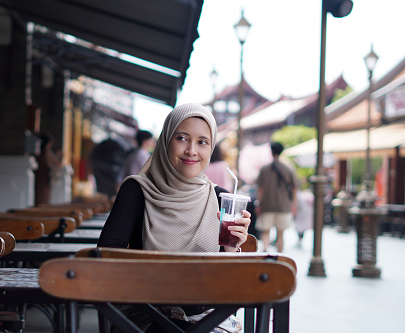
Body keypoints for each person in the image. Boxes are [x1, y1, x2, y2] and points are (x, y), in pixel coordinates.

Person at [97, 103, 251, 332]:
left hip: (206, 318)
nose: (191, 150)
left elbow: (230, 288)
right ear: (166, 140)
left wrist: (232, 248)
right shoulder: (136, 190)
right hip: (147, 313)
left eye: (202, 142)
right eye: (182, 138)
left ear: (211, 148)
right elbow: (105, 255)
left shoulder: (221, 199)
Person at [255, 142, 299, 252]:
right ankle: (280, 256)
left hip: (267, 205)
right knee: (280, 233)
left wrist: (258, 203)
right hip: (283, 206)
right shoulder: (288, 169)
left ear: (271, 151)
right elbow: (294, 188)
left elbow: (260, 189)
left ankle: (265, 250)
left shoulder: (264, 169)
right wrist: (293, 204)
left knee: (265, 231)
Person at [34, 132, 63, 205]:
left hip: (46, 179)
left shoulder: (48, 153)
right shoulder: (39, 154)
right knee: (39, 199)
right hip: (40, 178)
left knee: (44, 199)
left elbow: (56, 164)